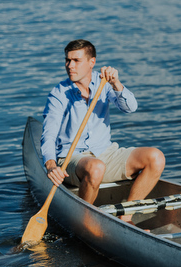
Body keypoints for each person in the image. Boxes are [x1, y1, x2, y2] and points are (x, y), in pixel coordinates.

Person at [41, 39, 165, 222]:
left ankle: (127, 217)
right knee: (95, 167)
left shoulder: (103, 83)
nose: (70, 66)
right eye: (67, 60)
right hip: (71, 159)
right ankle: (84, 221)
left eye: (76, 60)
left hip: (105, 153)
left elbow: (130, 108)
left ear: (92, 62)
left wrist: (116, 83)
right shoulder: (59, 94)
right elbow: (48, 135)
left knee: (156, 157)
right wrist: (51, 165)